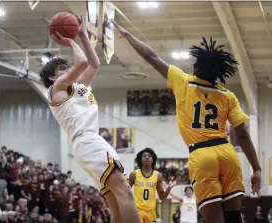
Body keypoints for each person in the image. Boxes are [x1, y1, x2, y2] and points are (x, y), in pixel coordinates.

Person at [113, 20, 262, 223]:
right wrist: (257, 168)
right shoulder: (228, 95)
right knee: (234, 217)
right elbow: (242, 134)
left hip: (202, 155)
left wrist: (130, 37)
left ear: (198, 66)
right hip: (228, 155)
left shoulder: (183, 82)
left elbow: (151, 56)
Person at [39, 16, 140, 223]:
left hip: (90, 142)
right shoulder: (55, 90)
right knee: (125, 192)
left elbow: (93, 65)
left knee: (116, 201)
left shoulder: (78, 88)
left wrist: (83, 34)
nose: (69, 70)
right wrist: (70, 41)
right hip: (86, 141)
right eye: (63, 70)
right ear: (53, 77)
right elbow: (82, 62)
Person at [129, 148, 180, 223]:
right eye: (144, 156)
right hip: (138, 210)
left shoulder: (158, 175)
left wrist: (169, 188)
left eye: (149, 156)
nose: (147, 157)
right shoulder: (134, 174)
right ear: (140, 160)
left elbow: (162, 197)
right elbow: (125, 191)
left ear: (153, 160)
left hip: (151, 211)